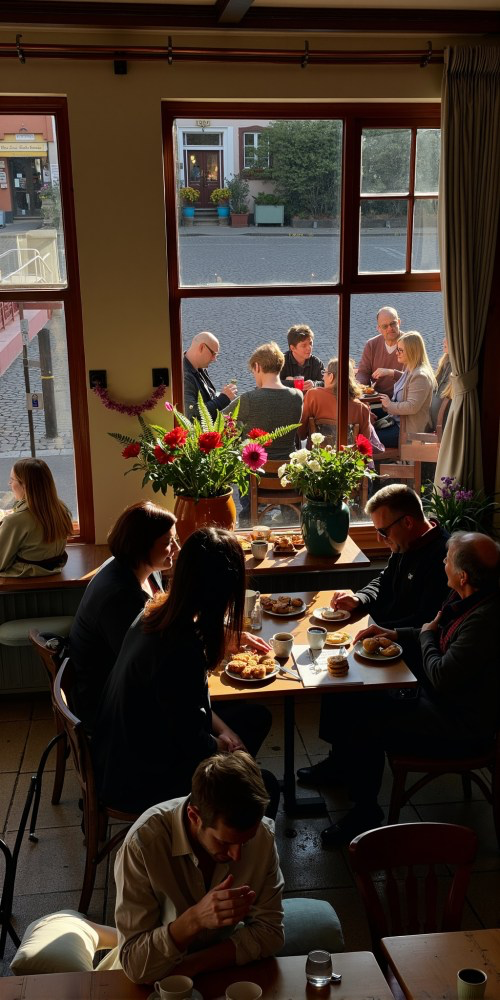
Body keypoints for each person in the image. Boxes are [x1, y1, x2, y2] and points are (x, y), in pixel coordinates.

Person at [318, 531, 500, 847]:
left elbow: (442, 672)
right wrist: (395, 633)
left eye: (448, 560)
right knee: (351, 689)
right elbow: (434, 631)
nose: (442, 562)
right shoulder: (469, 597)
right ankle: (342, 767)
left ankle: (366, 812)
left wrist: (427, 637)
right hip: (444, 700)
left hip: (460, 725)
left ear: (463, 575)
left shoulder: (484, 620)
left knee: (367, 714)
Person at [91, 527, 276, 816]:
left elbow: (181, 709)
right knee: (265, 788)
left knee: (255, 718)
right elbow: (190, 740)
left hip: (120, 755)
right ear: (222, 592)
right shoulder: (180, 649)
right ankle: (216, 838)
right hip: (140, 781)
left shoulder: (154, 612)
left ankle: (217, 821)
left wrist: (224, 733)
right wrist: (224, 747)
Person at [297, 484, 449, 789]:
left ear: (407, 522)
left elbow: (430, 622)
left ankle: (360, 795)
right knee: (336, 671)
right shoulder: (406, 543)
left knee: (357, 693)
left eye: (383, 531)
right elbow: (384, 579)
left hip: (414, 654)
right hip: (386, 637)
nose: (381, 539)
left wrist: (385, 632)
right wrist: (361, 599)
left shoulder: (442, 556)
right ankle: (340, 761)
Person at [112, 752, 284, 983]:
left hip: (196, 967)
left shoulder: (262, 836)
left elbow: (271, 932)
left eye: (245, 841)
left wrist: (194, 965)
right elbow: (135, 964)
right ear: (195, 816)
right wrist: (194, 919)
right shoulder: (143, 844)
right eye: (224, 842)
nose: (237, 855)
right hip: (161, 968)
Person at [69, 501, 178, 732]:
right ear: (142, 547)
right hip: (111, 708)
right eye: (168, 543)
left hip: (127, 687)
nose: (177, 548)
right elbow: (145, 667)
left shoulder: (143, 571)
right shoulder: (119, 597)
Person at [224, 341, 302, 462]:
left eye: (253, 371)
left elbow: (220, 420)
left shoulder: (249, 399)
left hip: (254, 471)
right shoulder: (297, 396)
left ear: (257, 367)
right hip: (288, 471)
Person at [0, 459, 72, 577]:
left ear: (25, 485)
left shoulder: (15, 521)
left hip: (25, 581)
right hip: (56, 570)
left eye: (12, 480)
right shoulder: (61, 509)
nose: (10, 484)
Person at [376, 331, 436, 449]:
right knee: (368, 417)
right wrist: (390, 372)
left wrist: (389, 404)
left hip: (406, 431)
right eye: (397, 349)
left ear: (412, 351)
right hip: (398, 423)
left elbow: (412, 406)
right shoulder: (411, 369)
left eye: (400, 350)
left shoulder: (421, 376)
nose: (397, 353)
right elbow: (407, 383)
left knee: (366, 437)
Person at [299, 357, 375, 444]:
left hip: (317, 455)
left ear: (331, 376)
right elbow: (364, 443)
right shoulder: (362, 409)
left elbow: (301, 433)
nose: (323, 377)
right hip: (347, 457)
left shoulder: (313, 395)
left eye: (324, 373)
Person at [183, 332, 237, 419]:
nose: (214, 359)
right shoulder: (185, 376)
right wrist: (223, 398)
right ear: (202, 347)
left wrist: (221, 395)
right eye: (213, 354)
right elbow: (193, 414)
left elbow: (209, 397)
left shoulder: (200, 366)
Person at [356, 306, 404, 396]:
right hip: (377, 397)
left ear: (399, 322)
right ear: (379, 329)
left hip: (402, 400)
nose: (390, 328)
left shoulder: (410, 344)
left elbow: (415, 378)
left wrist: (391, 372)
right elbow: (363, 372)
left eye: (393, 323)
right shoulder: (371, 345)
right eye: (385, 326)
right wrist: (360, 386)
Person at [280, 324, 325, 391]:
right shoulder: (281, 362)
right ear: (292, 348)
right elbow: (273, 383)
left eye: (310, 343)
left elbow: (325, 383)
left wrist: (314, 384)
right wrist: (292, 382)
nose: (309, 348)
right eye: (304, 345)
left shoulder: (317, 363)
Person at [428, 336, 452, 431]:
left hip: (441, 427)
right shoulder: (446, 361)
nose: (444, 340)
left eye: (449, 337)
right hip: (432, 423)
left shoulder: (455, 367)